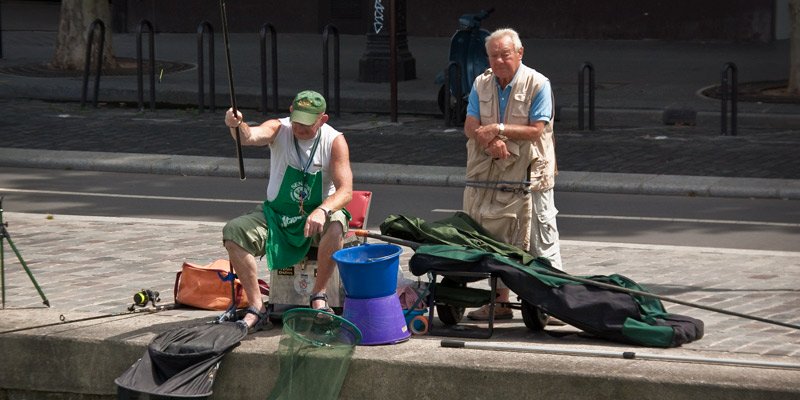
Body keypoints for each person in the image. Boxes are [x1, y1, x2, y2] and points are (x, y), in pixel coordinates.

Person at [222, 90, 353, 333]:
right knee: (234, 232)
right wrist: (237, 125)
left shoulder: (334, 141)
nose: (299, 128)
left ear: (322, 119)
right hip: (277, 216)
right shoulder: (279, 128)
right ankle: (257, 308)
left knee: (336, 224)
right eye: (297, 120)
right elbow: (250, 136)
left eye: (307, 123)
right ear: (291, 111)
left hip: (316, 216)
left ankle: (319, 295)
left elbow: (346, 192)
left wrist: (323, 210)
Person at [462, 28, 563, 321]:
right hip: (492, 173)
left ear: (519, 53)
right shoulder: (481, 83)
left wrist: (499, 130)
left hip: (532, 176)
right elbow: (470, 125)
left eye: (505, 54)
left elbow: (536, 129)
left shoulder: (538, 83)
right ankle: (500, 302)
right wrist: (490, 141)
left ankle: (553, 302)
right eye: (493, 55)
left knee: (540, 238)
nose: (499, 60)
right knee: (494, 236)